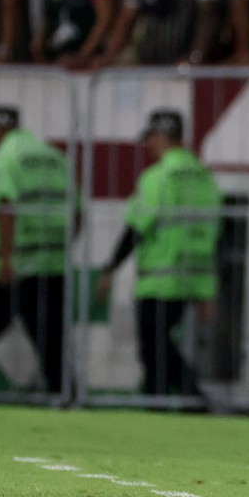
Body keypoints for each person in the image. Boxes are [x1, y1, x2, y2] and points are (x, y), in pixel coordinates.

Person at [96, 110, 220, 399]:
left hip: (160, 278)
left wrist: (110, 268)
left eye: (151, 138)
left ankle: (185, 398)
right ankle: (181, 399)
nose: (149, 145)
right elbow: (215, 234)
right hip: (193, 277)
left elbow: (137, 228)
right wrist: (207, 290)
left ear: (161, 136)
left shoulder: (158, 176)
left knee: (153, 348)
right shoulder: (204, 178)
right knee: (160, 345)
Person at [0, 105, 72, 396]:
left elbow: (6, 207)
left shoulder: (6, 156)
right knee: (51, 343)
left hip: (10, 267)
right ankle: (65, 397)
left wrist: (6, 258)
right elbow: (76, 211)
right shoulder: (55, 157)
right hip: (52, 264)